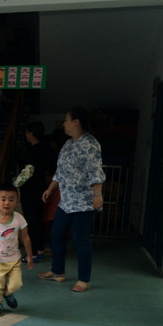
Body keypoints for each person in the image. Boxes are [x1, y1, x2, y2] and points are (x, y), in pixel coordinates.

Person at [39, 107, 106, 292]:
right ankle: (57, 271)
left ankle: (84, 279)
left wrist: (98, 194)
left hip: (84, 202)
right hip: (66, 201)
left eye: (66, 120)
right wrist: (50, 189)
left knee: (80, 239)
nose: (64, 123)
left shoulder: (90, 144)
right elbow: (60, 171)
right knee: (56, 233)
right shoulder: (68, 144)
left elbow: (96, 171)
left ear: (76, 122)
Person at [0, 184, 33, 316]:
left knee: (16, 284)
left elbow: (25, 237)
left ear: (16, 202)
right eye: (3, 199)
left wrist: (29, 255)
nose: (7, 203)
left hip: (14, 259)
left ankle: (7, 293)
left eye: (11, 199)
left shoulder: (19, 218)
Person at [15, 121, 48, 262]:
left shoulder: (32, 151)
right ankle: (40, 249)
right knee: (38, 220)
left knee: (31, 221)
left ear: (31, 133)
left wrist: (16, 184)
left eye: (27, 132)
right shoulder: (44, 149)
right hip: (41, 188)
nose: (26, 135)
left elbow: (27, 172)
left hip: (30, 190)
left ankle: (32, 253)